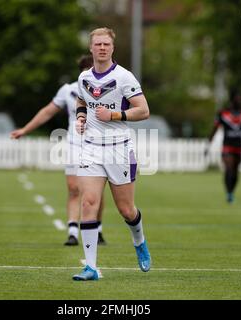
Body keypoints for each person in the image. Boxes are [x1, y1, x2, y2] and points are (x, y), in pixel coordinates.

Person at [72, 27, 151, 281]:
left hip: (119, 149)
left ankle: (139, 241)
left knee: (126, 210)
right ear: (91, 48)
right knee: (88, 203)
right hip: (92, 148)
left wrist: (116, 115)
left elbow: (143, 110)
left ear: (113, 47)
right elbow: (82, 100)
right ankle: (91, 268)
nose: (102, 48)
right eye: (98, 44)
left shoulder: (125, 77)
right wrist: (81, 117)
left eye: (106, 44)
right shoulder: (84, 77)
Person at [10, 55, 107, 246]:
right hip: (75, 144)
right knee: (73, 188)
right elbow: (47, 111)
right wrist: (25, 129)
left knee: (95, 192)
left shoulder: (107, 89)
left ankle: (97, 228)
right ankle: (72, 232)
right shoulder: (69, 90)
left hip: (98, 145)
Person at [206, 89, 241, 203]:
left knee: (235, 171)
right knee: (228, 168)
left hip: (238, 146)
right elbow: (214, 129)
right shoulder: (223, 114)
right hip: (227, 146)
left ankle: (232, 191)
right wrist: (208, 144)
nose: (240, 100)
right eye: (238, 98)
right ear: (232, 100)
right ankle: (228, 193)